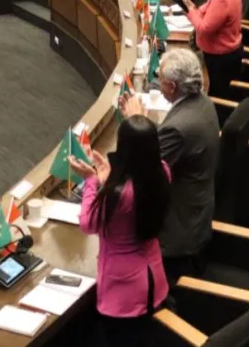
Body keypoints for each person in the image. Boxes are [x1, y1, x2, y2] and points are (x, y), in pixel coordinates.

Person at [120, 48, 220, 280]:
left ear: (173, 87)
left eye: (160, 78)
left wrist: (136, 123)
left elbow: (143, 171)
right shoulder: (203, 103)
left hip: (178, 238)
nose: (157, 82)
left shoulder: (178, 128)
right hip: (197, 212)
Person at [71, 113, 170, 347]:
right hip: (153, 280)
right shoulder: (163, 171)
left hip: (123, 293)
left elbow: (88, 223)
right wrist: (109, 178)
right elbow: (134, 197)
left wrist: (91, 181)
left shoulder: (118, 195)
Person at [182, 0, 244, 98]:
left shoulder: (222, 0)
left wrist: (191, 9)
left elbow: (203, 29)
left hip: (219, 60)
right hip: (225, 55)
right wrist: (194, 9)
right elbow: (202, 11)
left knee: (213, 93)